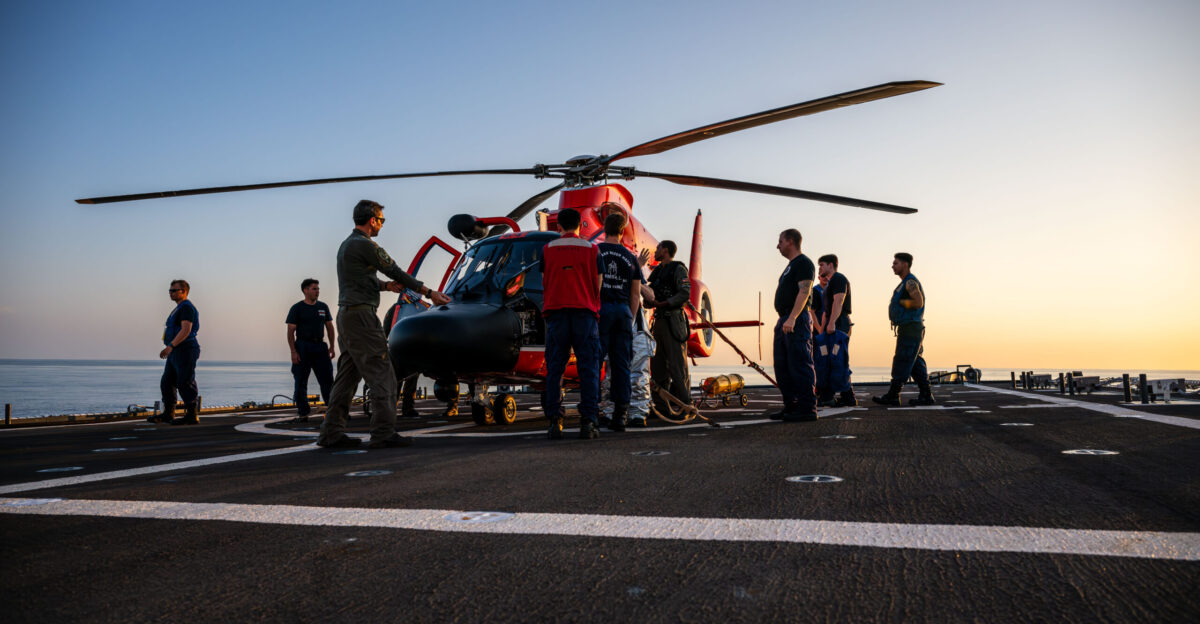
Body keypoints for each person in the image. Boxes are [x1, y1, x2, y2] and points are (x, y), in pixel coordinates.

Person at [317, 200, 450, 449]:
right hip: (363, 319)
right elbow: (395, 270)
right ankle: (383, 432)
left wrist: (385, 287)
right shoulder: (366, 245)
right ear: (372, 220)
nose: (381, 224)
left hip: (347, 317)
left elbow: (361, 279)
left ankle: (330, 433)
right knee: (384, 375)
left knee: (346, 379)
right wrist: (428, 291)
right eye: (381, 220)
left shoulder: (347, 245)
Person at [541, 207, 604, 440]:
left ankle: (555, 422)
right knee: (588, 369)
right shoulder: (592, 249)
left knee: (554, 369)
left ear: (559, 226)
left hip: (557, 314)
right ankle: (588, 421)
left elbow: (544, 280)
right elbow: (598, 283)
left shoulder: (547, 249)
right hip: (584, 314)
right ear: (580, 226)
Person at [595, 208, 642, 432]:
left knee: (594, 362)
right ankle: (620, 415)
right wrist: (630, 319)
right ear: (623, 232)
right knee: (622, 365)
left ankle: (594, 410)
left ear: (604, 228)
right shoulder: (631, 258)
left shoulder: (596, 251)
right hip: (623, 312)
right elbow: (635, 293)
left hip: (601, 311)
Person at [382, 287, 458, 418]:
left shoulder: (400, 308)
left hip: (407, 352)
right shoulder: (407, 308)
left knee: (402, 381)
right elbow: (386, 330)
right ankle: (402, 408)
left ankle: (400, 408)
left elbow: (386, 332)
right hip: (405, 352)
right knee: (401, 381)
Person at [873, 252, 935, 406]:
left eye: (896, 263)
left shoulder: (910, 282)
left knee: (902, 360)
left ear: (905, 264)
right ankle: (926, 395)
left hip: (910, 328)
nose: (892, 266)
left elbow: (918, 302)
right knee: (914, 362)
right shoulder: (904, 283)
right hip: (909, 327)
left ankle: (893, 395)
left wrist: (902, 303)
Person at [771, 229, 818, 422]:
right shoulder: (790, 266)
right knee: (782, 365)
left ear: (790, 241)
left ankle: (807, 408)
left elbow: (804, 292)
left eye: (780, 241)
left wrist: (792, 318)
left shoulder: (804, 263)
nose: (778, 245)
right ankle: (791, 405)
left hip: (795, 319)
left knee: (799, 363)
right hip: (785, 319)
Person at [645, 240, 692, 418]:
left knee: (677, 365)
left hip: (673, 320)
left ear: (665, 250)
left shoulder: (678, 269)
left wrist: (665, 303)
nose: (655, 251)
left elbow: (684, 293)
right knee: (657, 367)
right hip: (659, 321)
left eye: (658, 248)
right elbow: (650, 292)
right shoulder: (657, 272)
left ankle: (686, 405)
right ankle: (661, 407)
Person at [149, 279, 201, 425]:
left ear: (183, 291)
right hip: (176, 351)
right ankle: (168, 413)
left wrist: (170, 346)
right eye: (169, 291)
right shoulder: (178, 308)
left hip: (185, 349)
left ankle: (192, 415)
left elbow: (186, 329)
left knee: (184, 380)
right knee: (167, 382)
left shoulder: (186, 308)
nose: (170, 293)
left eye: (173, 290)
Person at [286, 278, 335, 423]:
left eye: (318, 288)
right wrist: (293, 352)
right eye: (314, 288)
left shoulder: (323, 307)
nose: (317, 291)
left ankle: (333, 411)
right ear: (305, 290)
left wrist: (332, 346)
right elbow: (290, 331)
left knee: (327, 380)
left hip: (320, 347)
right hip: (302, 347)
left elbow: (330, 327)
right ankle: (303, 413)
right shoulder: (297, 308)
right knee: (300, 381)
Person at [817, 254, 857, 407]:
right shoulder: (829, 284)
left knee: (837, 360)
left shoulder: (839, 278)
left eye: (822, 265)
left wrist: (832, 323)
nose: (820, 268)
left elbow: (839, 301)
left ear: (831, 265)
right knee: (831, 360)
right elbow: (826, 310)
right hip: (831, 324)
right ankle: (847, 397)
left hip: (839, 324)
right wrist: (822, 329)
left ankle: (831, 396)